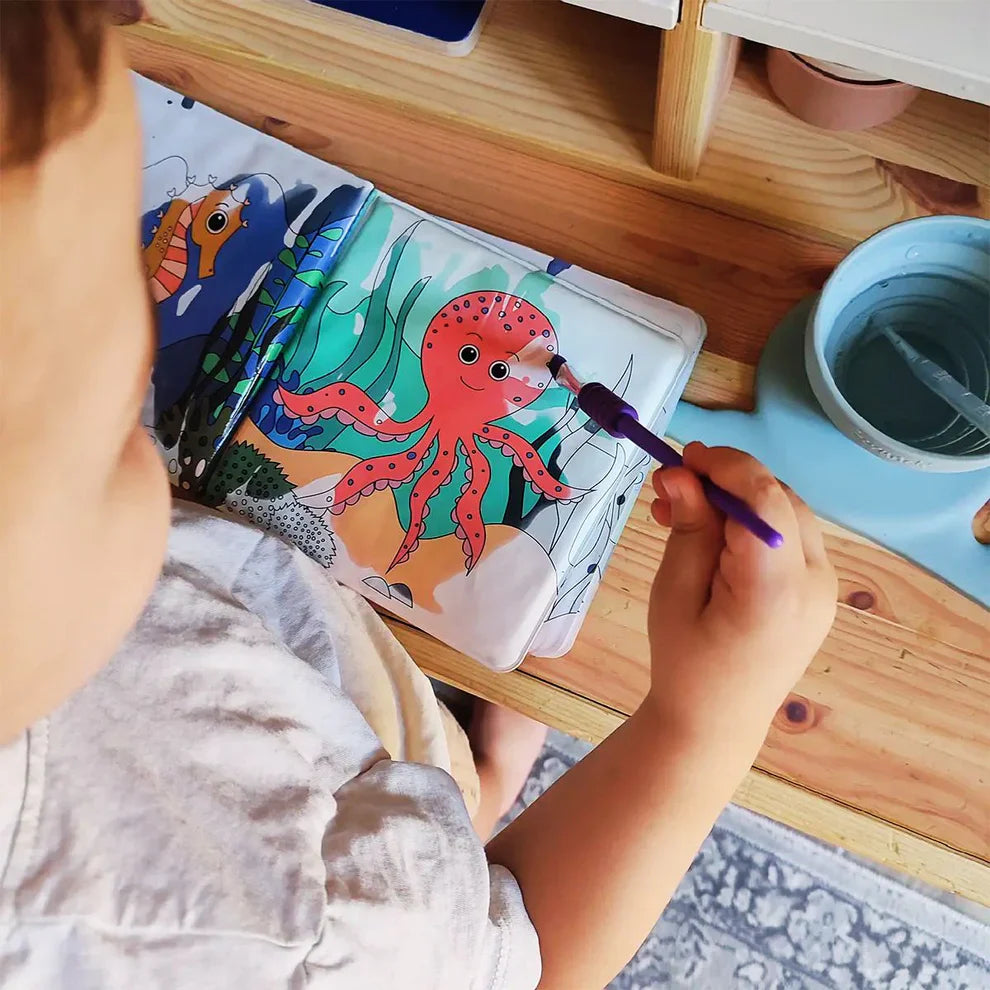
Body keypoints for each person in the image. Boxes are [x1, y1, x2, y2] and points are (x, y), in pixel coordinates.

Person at [0, 4, 837, 988]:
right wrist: (705, 721)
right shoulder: (281, 935)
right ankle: (477, 797)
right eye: (118, 431)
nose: (150, 421)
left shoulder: (41, 597)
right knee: (433, 809)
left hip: (281, 655)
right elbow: (525, 963)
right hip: (362, 804)